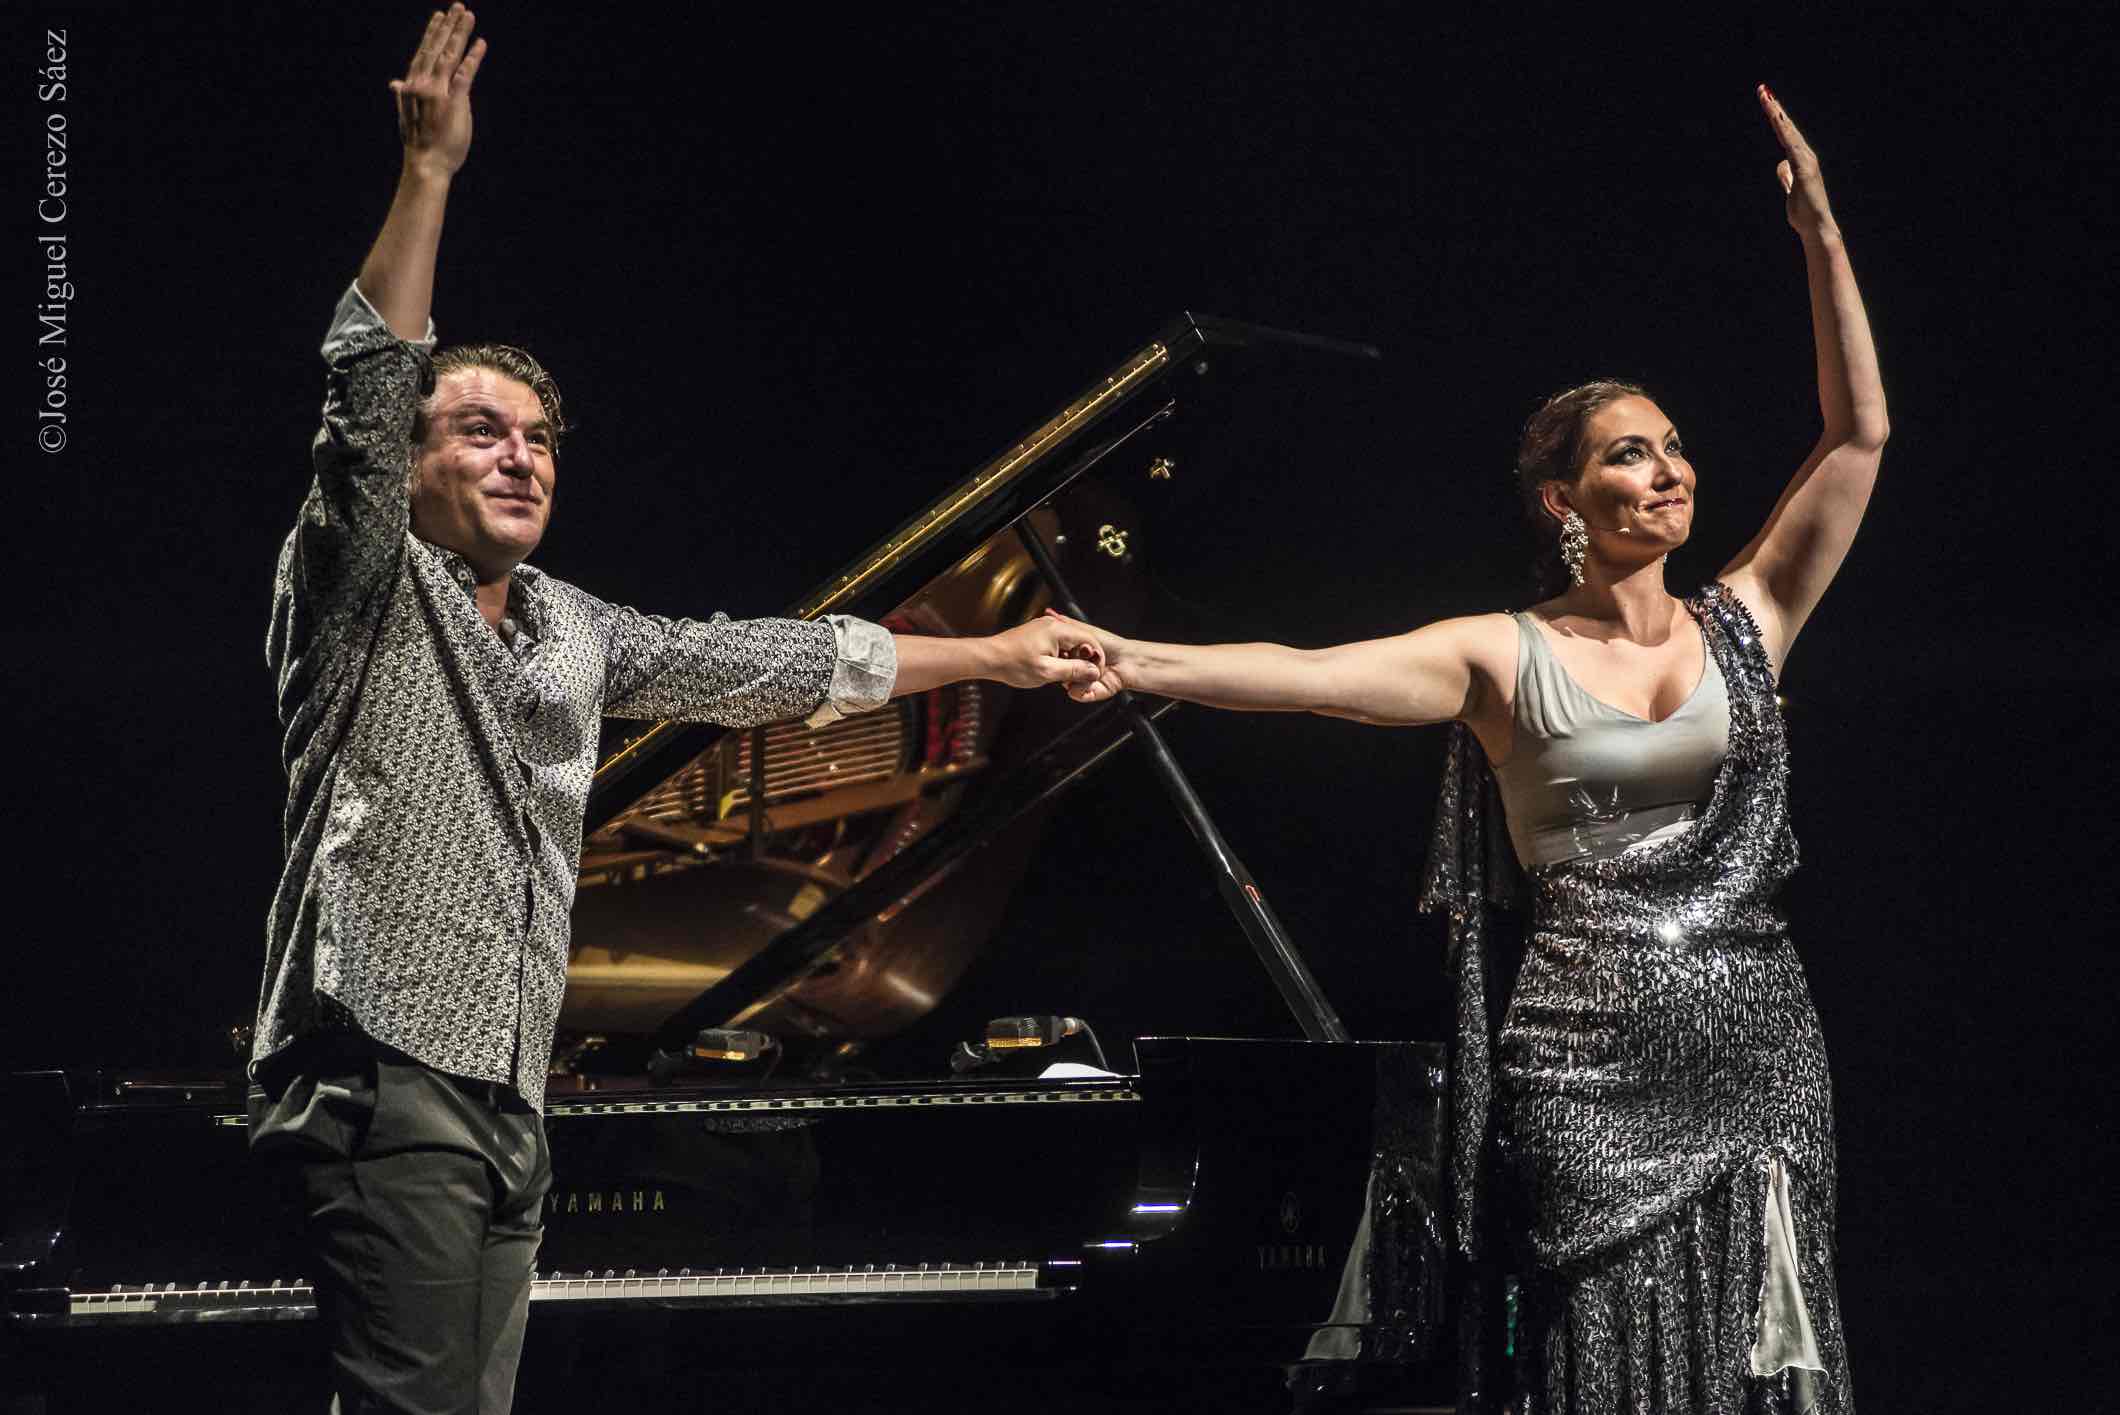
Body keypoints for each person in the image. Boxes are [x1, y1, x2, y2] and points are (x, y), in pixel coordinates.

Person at [246, 9, 1105, 1413]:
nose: (520, 458)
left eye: (539, 440)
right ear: (408, 467)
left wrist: (997, 658)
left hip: (511, 1088)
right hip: (384, 1069)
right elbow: (365, 392)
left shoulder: (574, 625)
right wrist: (429, 174)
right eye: (479, 432)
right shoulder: (364, 581)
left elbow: (762, 665)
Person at [1049, 86, 1882, 1414]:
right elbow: (1311, 676)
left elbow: (1857, 436)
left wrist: (1820, 236)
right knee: (1602, 1355)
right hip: (1585, 1062)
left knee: (1758, 1350)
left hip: (1759, 1050)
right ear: (1566, 499)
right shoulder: (1503, 654)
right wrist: (1135, 659)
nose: (1669, 471)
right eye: (1631, 455)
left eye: (1674, 448)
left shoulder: (1750, 618)